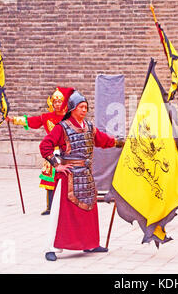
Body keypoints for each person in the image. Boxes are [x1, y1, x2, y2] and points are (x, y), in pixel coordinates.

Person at [39, 89, 124, 261]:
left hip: (85, 175)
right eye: (81, 107)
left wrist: (122, 142)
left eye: (86, 107)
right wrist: (57, 165)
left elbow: (103, 140)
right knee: (62, 213)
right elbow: (45, 145)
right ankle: (52, 247)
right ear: (72, 109)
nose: (84, 110)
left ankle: (90, 244)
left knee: (88, 211)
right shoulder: (62, 127)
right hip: (69, 176)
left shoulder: (89, 127)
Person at [6, 87, 74, 215]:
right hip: (51, 153)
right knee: (50, 180)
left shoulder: (69, 117)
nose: (58, 104)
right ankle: (50, 207)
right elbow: (30, 121)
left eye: (60, 101)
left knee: (66, 178)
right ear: (51, 103)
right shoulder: (46, 117)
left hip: (66, 152)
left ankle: (66, 208)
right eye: (55, 102)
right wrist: (13, 120)